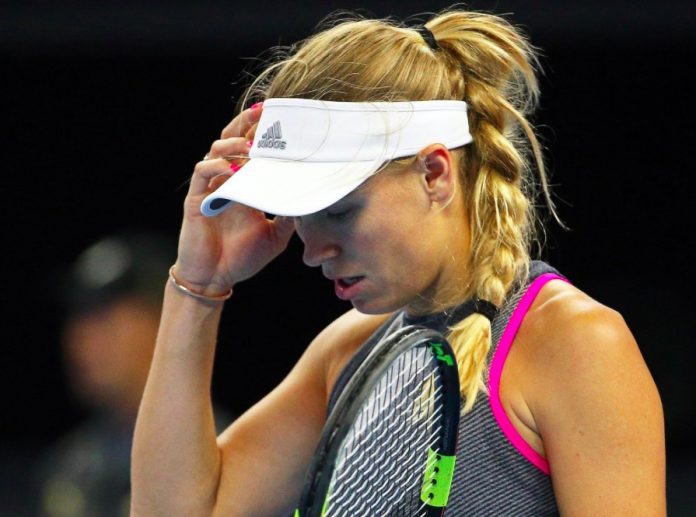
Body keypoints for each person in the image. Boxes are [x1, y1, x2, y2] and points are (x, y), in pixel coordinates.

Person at [131, 8, 665, 516]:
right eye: (299, 216)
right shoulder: (348, 350)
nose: (313, 253)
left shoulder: (579, 345)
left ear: (434, 173)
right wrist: (198, 286)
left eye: (339, 211)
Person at [38, 231, 232, 517]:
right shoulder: (73, 466)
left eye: (104, 320)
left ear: (161, 321)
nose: (80, 341)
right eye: (78, 321)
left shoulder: (227, 453)